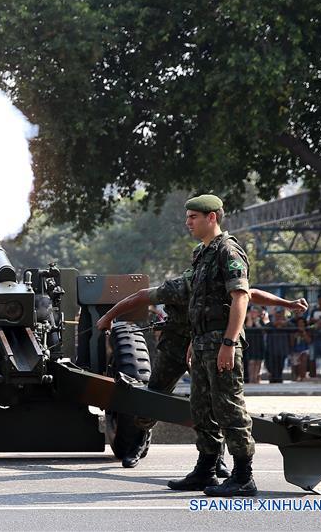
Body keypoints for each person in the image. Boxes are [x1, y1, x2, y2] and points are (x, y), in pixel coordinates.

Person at [96, 274, 305, 470]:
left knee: (211, 403)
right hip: (175, 347)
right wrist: (108, 317)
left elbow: (251, 293)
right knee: (154, 395)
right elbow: (141, 296)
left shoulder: (221, 286)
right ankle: (138, 441)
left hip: (205, 347)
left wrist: (288, 304)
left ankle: (216, 458)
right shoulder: (180, 287)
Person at [170, 194, 256, 497]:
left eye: (193, 217)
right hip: (203, 342)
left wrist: (229, 342)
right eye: (187, 217)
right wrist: (195, 341)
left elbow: (240, 298)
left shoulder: (227, 250)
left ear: (212, 218)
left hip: (221, 342)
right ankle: (205, 469)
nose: (188, 222)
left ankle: (243, 476)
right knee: (202, 409)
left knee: (229, 408)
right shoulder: (202, 253)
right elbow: (200, 301)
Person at [263, 307, 291, 384]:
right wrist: (274, 324)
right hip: (271, 348)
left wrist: (284, 324)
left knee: (280, 365)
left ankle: (279, 378)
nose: (278, 316)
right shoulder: (270, 323)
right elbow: (265, 328)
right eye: (277, 314)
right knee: (271, 365)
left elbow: (293, 327)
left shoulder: (287, 323)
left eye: (280, 314)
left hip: (282, 348)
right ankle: (273, 378)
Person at [244, 306, 264, 384]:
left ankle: (256, 379)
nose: (253, 313)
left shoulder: (260, 321)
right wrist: (249, 318)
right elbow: (248, 327)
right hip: (250, 344)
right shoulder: (246, 320)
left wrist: (256, 321)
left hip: (259, 343)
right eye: (252, 312)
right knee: (251, 362)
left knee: (258, 361)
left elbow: (262, 330)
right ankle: (251, 379)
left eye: (255, 312)